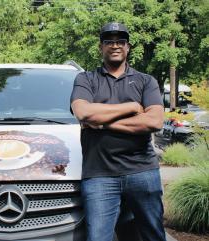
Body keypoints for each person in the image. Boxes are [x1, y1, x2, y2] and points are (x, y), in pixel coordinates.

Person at [70, 22, 166, 241]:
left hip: (143, 172)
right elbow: (84, 112)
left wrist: (103, 123)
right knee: (98, 238)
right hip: (99, 175)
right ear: (100, 47)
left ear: (128, 47)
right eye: (109, 41)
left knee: (153, 235)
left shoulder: (145, 81)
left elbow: (154, 121)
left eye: (120, 41)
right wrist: (132, 108)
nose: (115, 46)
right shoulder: (85, 79)